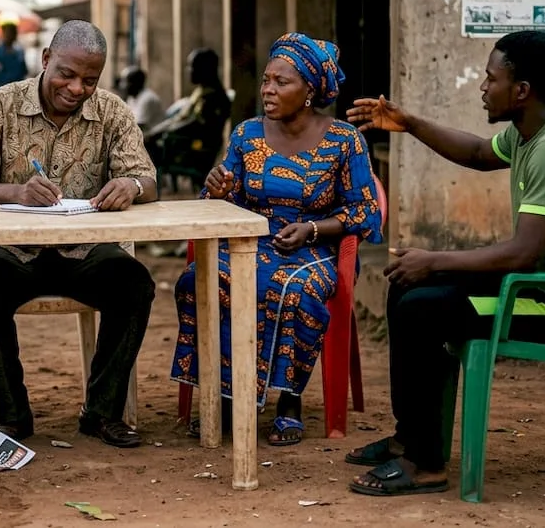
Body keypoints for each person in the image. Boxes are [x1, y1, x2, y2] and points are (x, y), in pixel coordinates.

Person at [342, 31, 545, 497]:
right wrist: (408, 122)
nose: (482, 87)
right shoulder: (532, 131)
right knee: (404, 284)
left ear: (522, 91)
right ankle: (412, 437)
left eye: (491, 78)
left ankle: (427, 466)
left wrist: (436, 261)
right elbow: (474, 153)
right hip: (540, 285)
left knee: (421, 306)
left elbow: (522, 253)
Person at [0, 20, 158, 448]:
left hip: (84, 252)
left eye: (90, 79)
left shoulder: (112, 112)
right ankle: (13, 417)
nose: (77, 88)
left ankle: (101, 413)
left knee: (134, 283)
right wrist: (16, 193)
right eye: (67, 73)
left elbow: (146, 178)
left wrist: (131, 186)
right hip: (9, 251)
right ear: (45, 60)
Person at [170, 33, 382, 446]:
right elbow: (224, 197)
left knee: (291, 288)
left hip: (315, 248)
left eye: (281, 82)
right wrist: (217, 188)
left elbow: (365, 211)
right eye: (266, 80)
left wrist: (313, 229)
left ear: (308, 91)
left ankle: (288, 400)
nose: (268, 89)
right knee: (201, 280)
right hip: (251, 242)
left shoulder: (344, 141)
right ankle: (225, 396)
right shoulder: (247, 134)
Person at [145, 48, 232, 178]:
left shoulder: (213, 96)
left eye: (192, 66)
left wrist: (161, 132)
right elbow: (180, 118)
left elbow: (193, 124)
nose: (189, 71)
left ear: (205, 69)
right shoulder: (201, 91)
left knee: (148, 147)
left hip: (195, 152)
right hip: (186, 146)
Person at [120, 66, 165, 131]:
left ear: (134, 83)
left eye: (125, 82)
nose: (122, 86)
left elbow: (138, 127)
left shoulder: (147, 99)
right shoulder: (132, 98)